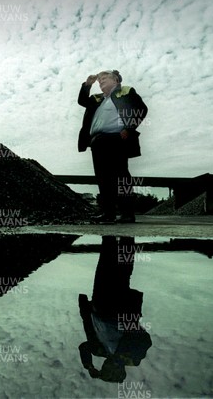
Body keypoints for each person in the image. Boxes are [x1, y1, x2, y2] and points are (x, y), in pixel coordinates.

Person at [77, 235, 152, 382]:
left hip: (99, 304)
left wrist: (90, 367)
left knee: (105, 264)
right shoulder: (133, 357)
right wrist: (125, 357)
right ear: (118, 371)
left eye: (103, 369)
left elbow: (83, 348)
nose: (105, 366)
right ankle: (127, 234)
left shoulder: (98, 350)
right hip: (120, 307)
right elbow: (145, 340)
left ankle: (109, 236)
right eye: (108, 370)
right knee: (123, 271)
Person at [77, 70, 148, 223]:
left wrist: (129, 128)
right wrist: (87, 85)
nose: (100, 81)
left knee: (121, 177)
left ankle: (127, 214)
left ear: (115, 79)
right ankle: (107, 213)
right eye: (99, 79)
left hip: (116, 140)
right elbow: (82, 101)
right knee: (103, 179)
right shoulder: (97, 98)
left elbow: (141, 109)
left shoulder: (125, 91)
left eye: (104, 78)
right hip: (97, 142)